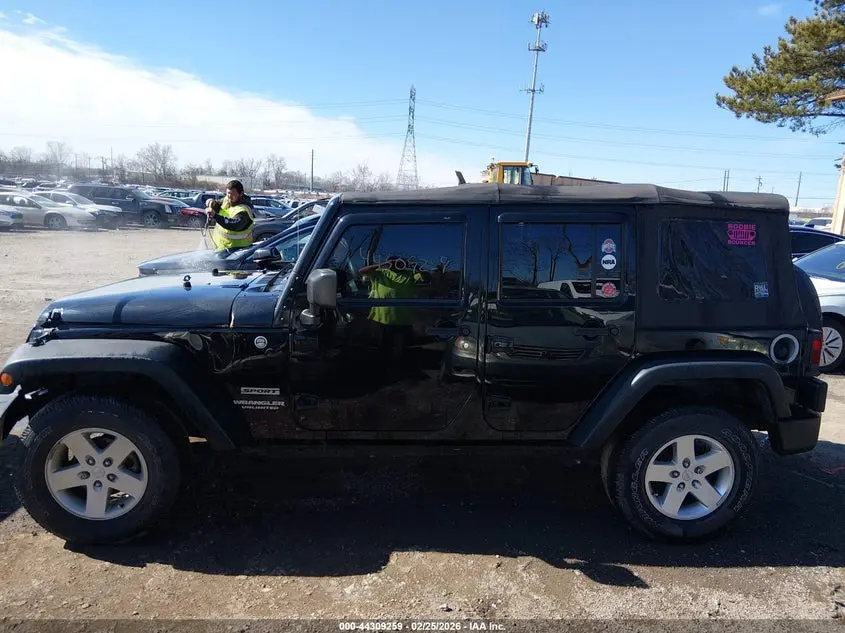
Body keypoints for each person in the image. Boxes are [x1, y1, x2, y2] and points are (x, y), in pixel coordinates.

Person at [205, 180, 255, 253]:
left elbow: (233, 224)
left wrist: (215, 215)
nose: (229, 196)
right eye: (228, 193)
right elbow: (217, 205)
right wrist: (210, 202)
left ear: (241, 194)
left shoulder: (243, 211)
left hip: (237, 252)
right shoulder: (226, 200)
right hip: (220, 249)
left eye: (232, 194)